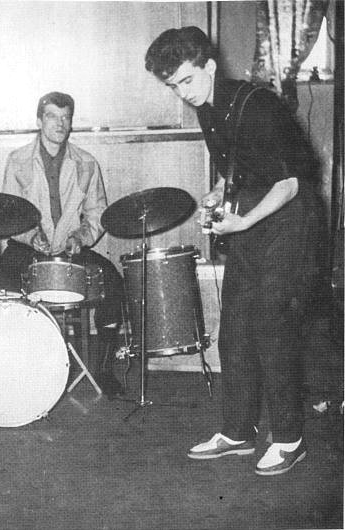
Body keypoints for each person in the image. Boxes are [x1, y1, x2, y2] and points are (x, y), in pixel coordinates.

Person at [145, 26, 325, 475]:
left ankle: (289, 439)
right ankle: (239, 432)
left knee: (272, 327)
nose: (182, 94)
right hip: (251, 220)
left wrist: (242, 220)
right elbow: (236, 167)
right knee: (236, 330)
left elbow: (289, 182)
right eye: (173, 86)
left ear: (208, 66)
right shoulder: (208, 107)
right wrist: (217, 192)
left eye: (187, 81)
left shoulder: (258, 106)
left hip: (289, 221)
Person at [0, 91, 125, 397]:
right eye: (53, 116)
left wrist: (80, 238)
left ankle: (104, 369)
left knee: (113, 284)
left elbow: (97, 214)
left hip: (71, 249)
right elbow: (8, 215)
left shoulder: (86, 163)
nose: (60, 123)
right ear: (39, 120)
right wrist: (30, 237)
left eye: (66, 117)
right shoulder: (17, 161)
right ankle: (18, 370)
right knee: (2, 284)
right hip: (27, 247)